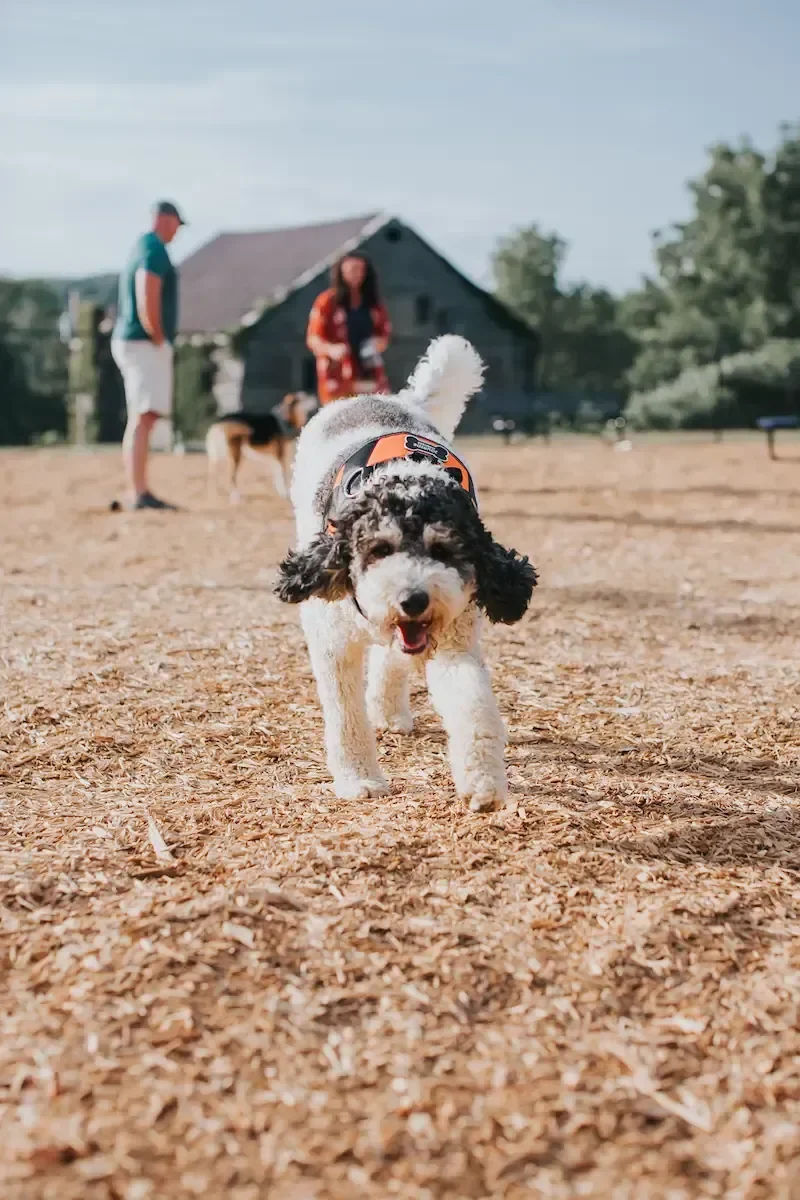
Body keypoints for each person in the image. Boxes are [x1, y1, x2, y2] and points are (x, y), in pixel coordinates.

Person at [111, 201, 185, 510]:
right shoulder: (153, 249)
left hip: (138, 341)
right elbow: (147, 290)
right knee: (143, 416)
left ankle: (138, 488)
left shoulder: (144, 246)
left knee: (145, 416)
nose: (178, 230)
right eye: (177, 223)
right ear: (164, 219)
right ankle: (139, 492)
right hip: (144, 343)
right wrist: (157, 335)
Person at [306, 253, 392, 405]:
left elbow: (384, 334)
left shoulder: (374, 303)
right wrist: (331, 349)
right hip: (338, 377)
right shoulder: (327, 302)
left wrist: (378, 343)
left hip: (369, 374)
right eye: (351, 270)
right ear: (342, 272)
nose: (356, 274)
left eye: (360, 270)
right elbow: (313, 338)